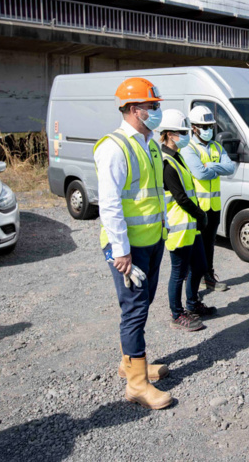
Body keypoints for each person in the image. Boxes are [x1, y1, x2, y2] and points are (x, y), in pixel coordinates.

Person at [93, 77, 172, 410]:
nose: (156, 111)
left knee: (144, 302)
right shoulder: (115, 147)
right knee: (135, 309)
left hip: (151, 240)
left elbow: (153, 193)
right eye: (152, 106)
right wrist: (121, 250)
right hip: (128, 248)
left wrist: (163, 227)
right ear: (135, 109)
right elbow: (110, 204)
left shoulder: (149, 143)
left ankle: (130, 364)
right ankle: (137, 385)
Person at [159, 109, 215, 331]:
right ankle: (177, 314)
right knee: (179, 273)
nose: (185, 136)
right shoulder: (166, 162)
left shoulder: (178, 157)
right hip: (179, 226)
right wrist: (200, 214)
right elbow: (180, 197)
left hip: (191, 224)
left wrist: (198, 215)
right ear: (169, 134)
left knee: (199, 266)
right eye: (182, 132)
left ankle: (193, 305)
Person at [180, 105, 236, 293]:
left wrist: (209, 165)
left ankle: (208, 277)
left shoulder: (216, 147)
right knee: (194, 246)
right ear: (194, 128)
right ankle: (191, 281)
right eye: (204, 127)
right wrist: (216, 168)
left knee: (209, 245)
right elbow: (200, 174)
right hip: (197, 207)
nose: (209, 130)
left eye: (211, 126)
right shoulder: (188, 148)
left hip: (213, 206)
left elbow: (230, 168)